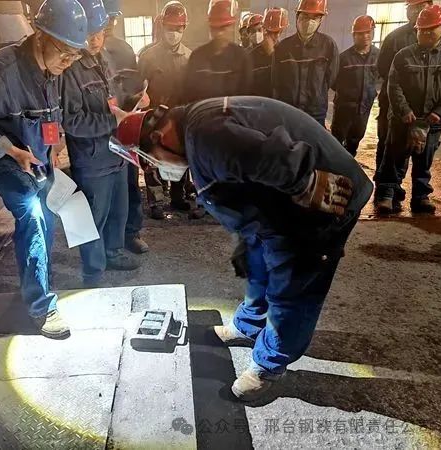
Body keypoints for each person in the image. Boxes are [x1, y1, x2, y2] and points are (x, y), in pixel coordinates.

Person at [115, 96, 373, 402]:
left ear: (158, 136)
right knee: (257, 265)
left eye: (152, 159)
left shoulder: (207, 136)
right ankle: (249, 326)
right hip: (277, 208)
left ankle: (269, 365)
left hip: (322, 203)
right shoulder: (193, 130)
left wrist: (307, 184)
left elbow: (271, 157)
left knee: (294, 287)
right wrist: (248, 235)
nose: (158, 167)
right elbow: (242, 173)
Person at [0, 0, 88, 339]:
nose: (68, 61)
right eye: (65, 52)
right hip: (5, 160)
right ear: (40, 35)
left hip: (37, 156)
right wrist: (13, 151)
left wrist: (53, 146)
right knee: (33, 216)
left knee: (48, 214)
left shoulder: (55, 68)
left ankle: (38, 280)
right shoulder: (0, 72)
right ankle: (41, 307)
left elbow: (51, 115)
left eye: (74, 55)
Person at [61, 0, 140, 288]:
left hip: (116, 151)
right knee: (93, 216)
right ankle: (93, 271)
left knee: (119, 209)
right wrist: (112, 121)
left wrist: (134, 101)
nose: (95, 40)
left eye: (100, 32)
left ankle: (113, 252)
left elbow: (113, 99)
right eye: (89, 34)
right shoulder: (69, 69)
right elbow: (71, 121)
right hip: (92, 158)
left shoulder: (103, 59)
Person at [375, 5, 441, 215]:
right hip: (403, 119)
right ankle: (388, 195)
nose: (425, 33)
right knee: (394, 157)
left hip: (433, 120)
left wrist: (440, 111)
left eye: (430, 29)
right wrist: (404, 110)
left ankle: (421, 196)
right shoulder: (403, 55)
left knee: (424, 159)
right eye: (421, 30)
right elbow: (393, 85)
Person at [102, 0, 149, 254]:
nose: (109, 24)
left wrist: (138, 97)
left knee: (130, 182)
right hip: (96, 129)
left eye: (113, 19)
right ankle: (104, 242)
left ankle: (131, 232)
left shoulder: (124, 49)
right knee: (102, 189)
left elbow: (132, 84)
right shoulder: (80, 50)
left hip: (124, 128)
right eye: (105, 18)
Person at [139, 1, 193, 219]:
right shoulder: (148, 57)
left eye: (178, 28)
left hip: (178, 119)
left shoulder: (189, 58)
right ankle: (157, 202)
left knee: (178, 158)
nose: (174, 32)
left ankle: (178, 197)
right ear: (162, 27)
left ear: (184, 28)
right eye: (170, 27)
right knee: (152, 159)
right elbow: (139, 89)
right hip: (154, 118)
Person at [375, 0, 433, 182]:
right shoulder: (395, 38)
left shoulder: (439, 37)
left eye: (420, 6)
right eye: (413, 7)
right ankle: (385, 187)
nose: (416, 11)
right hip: (392, 103)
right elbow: (383, 68)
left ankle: (418, 191)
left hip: (424, 106)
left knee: (421, 149)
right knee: (389, 145)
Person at [272, 0, 339, 127]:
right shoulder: (283, 47)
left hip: (316, 112)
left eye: (315, 17)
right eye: (305, 16)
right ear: (297, 17)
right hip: (289, 111)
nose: (309, 21)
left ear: (320, 20)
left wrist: (316, 94)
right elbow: (276, 81)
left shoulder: (328, 45)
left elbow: (331, 78)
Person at [331, 15, 380, 157]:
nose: (365, 36)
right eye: (360, 33)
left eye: (368, 32)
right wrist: (347, 95)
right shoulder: (344, 58)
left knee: (355, 140)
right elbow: (333, 81)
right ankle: (334, 167)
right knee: (336, 140)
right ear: (354, 35)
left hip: (364, 108)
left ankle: (348, 166)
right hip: (344, 108)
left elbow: (380, 77)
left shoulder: (378, 56)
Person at [182, 0, 248, 103]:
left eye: (223, 28)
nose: (219, 33)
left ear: (231, 27)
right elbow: (187, 95)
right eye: (215, 28)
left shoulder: (242, 58)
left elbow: (246, 99)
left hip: (233, 112)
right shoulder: (197, 57)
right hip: (203, 112)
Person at [247, 7, 289, 98]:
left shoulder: (286, 54)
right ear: (264, 30)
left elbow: (286, 84)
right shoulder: (250, 57)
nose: (274, 36)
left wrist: (272, 54)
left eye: (277, 32)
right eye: (270, 32)